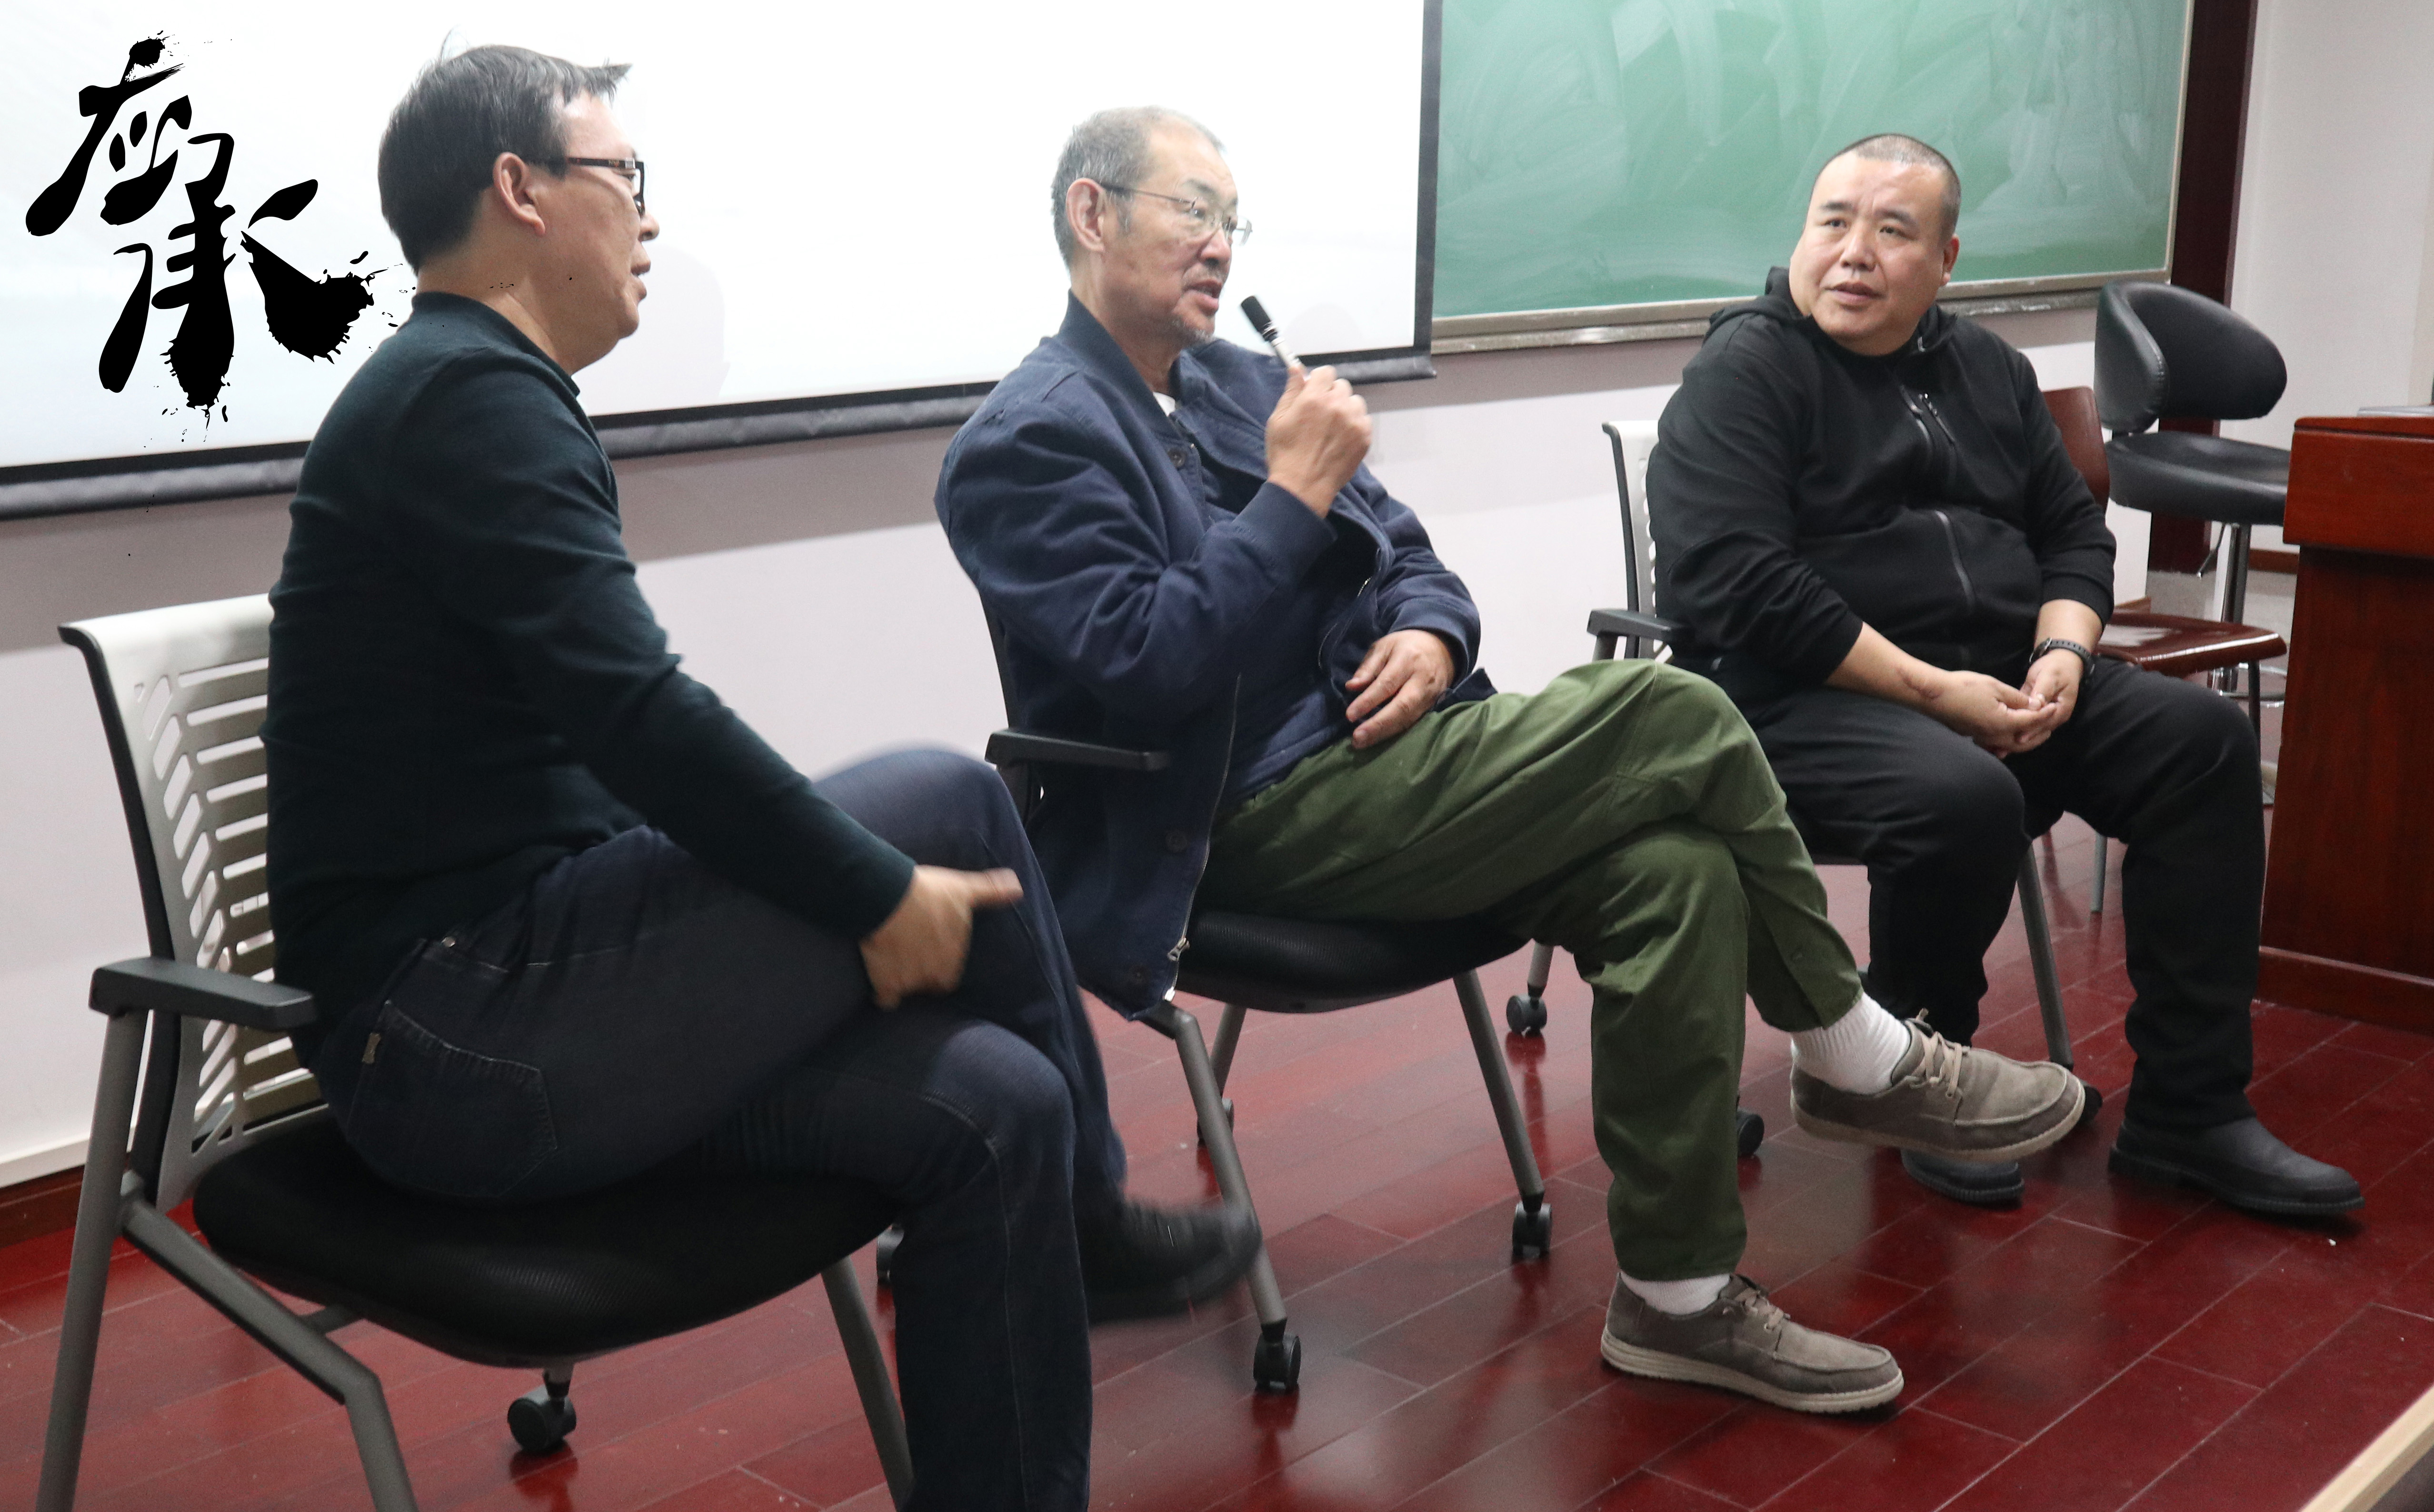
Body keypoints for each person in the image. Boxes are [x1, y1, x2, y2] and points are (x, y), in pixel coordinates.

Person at [935, 106, 2088, 1416]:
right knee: (1671, 708)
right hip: (1233, 819)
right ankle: (1851, 1045)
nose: (1220, 246)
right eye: (1192, 211)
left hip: (1395, 762)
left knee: (1677, 873)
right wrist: (1293, 500)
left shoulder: (1247, 387)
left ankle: (1678, 1299)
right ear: (1092, 215)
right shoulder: (1029, 440)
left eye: (1232, 221)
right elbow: (1150, 663)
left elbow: (1416, 561)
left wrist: (1431, 638)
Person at [262, 50, 1256, 1512]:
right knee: (948, 799)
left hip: (532, 986)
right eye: (626, 179)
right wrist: (868, 901)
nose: (650, 218)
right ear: (521, 191)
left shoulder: (489, 394)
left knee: (1000, 1102)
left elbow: (603, 756)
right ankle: (1095, 1222)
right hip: (449, 1041)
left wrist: (810, 922)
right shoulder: (463, 399)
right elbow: (642, 720)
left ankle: (1062, 1268)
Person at [1647, 133, 2358, 1217]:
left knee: (2201, 742)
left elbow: (2074, 535)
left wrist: (2063, 654)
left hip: (1999, 676)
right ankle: (1916, 1076)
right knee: (1959, 792)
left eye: (1892, 230)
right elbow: (1739, 584)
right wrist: (1937, 693)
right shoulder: (1746, 369)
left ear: (1946, 261)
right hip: (1792, 695)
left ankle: (2190, 1111)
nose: (1853, 251)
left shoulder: (1987, 369)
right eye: (1833, 221)